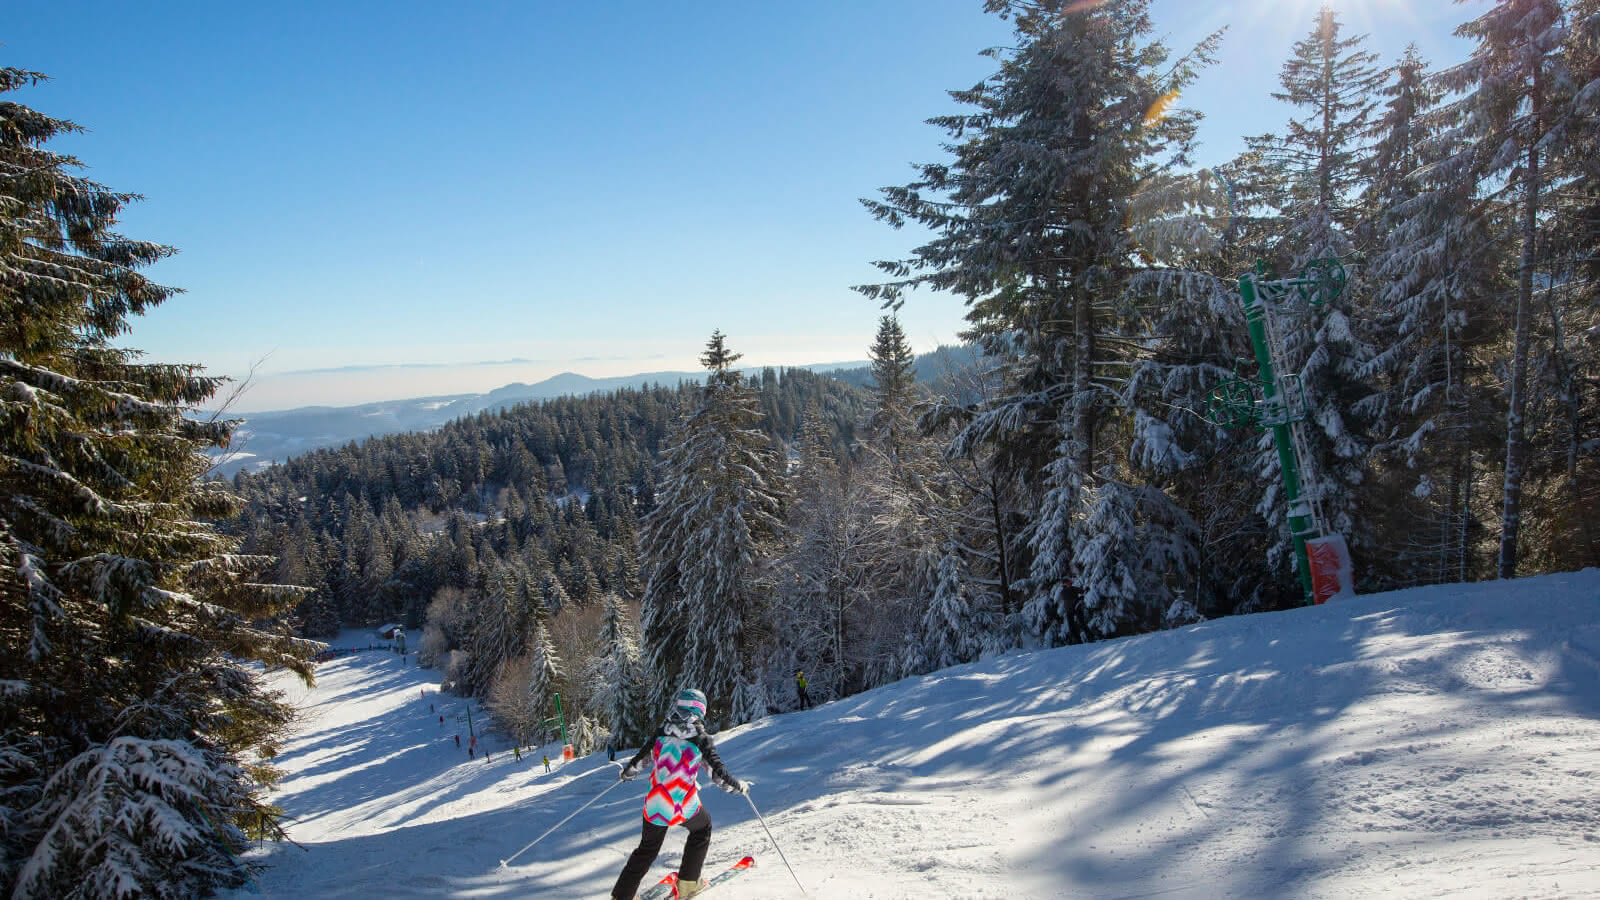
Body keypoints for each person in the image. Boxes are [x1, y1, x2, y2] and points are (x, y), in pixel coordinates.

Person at [610, 689, 745, 900]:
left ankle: (621, 896)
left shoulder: (662, 732)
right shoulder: (701, 739)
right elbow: (717, 775)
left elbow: (641, 760)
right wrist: (739, 787)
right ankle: (688, 884)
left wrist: (626, 774)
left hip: (655, 802)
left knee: (646, 849)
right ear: (701, 710)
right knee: (703, 828)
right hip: (681, 804)